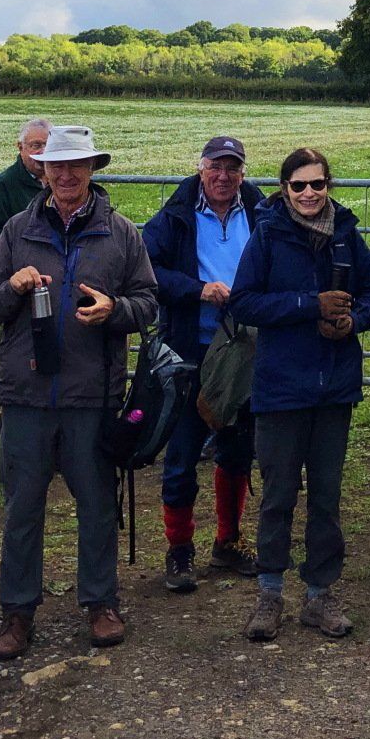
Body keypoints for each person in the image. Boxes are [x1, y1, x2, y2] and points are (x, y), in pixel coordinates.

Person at [0, 124, 158, 660]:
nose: (67, 174)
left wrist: (114, 312)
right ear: (43, 171)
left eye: (77, 164)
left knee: (98, 504)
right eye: (57, 165)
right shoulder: (16, 230)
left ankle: (101, 603)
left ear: (93, 169)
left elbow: (148, 304)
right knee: (22, 508)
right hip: (26, 394)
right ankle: (17, 613)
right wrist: (11, 287)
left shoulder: (122, 234)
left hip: (92, 394)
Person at [229, 148, 370, 641]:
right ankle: (270, 593)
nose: (308, 194)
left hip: (334, 386)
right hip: (280, 386)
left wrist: (353, 321)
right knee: (277, 495)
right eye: (298, 186)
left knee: (326, 495)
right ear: (284, 189)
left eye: (317, 184)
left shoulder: (346, 234)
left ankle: (320, 594)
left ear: (328, 185)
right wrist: (307, 305)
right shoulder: (268, 234)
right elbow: (244, 302)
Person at [141, 134, 264, 591]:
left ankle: (228, 542)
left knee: (236, 450)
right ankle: (179, 550)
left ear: (243, 173)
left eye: (233, 168)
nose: (223, 176)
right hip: (191, 349)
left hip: (244, 352)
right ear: (200, 168)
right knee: (182, 454)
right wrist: (197, 289)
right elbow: (146, 266)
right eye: (216, 166)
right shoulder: (175, 214)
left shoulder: (260, 210)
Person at [0, 117, 52, 255]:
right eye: (36, 145)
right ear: (20, 147)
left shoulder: (62, 182)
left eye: (48, 145)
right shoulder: (3, 186)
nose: (43, 152)